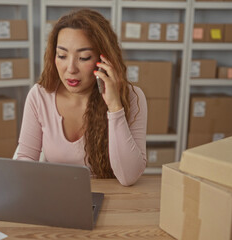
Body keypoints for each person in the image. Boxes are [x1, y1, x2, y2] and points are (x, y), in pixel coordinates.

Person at [16, 9, 147, 186]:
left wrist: (115, 107)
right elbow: (25, 158)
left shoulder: (132, 97)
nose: (71, 68)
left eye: (84, 57)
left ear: (105, 59)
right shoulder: (40, 95)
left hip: (112, 200)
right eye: (62, 55)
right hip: (54, 196)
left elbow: (128, 177)